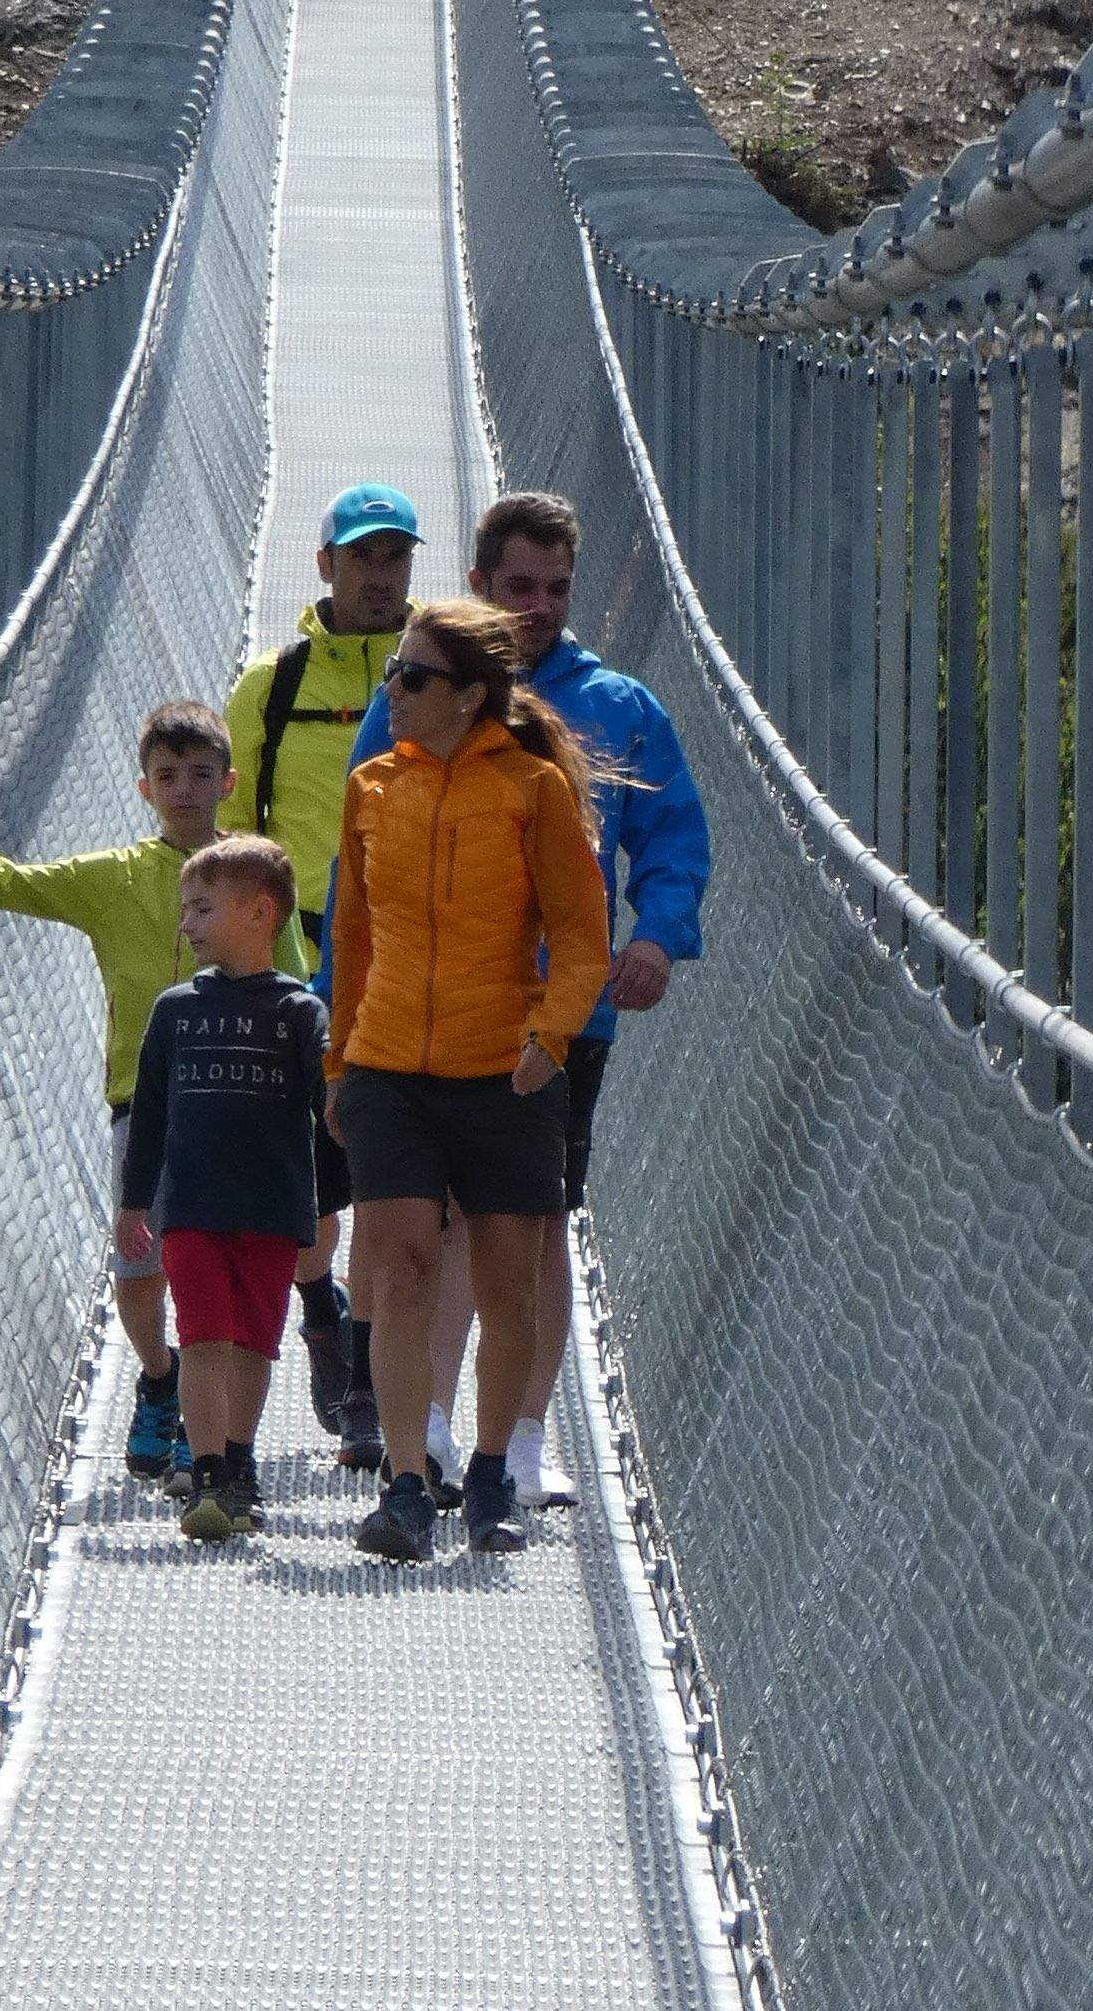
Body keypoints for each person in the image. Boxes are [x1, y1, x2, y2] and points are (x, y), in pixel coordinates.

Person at [345, 492, 706, 1510]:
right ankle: (429, 1427)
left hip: (561, 1016)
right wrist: (342, 1018)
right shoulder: (417, 688)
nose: (539, 607)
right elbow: (361, 860)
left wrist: (656, 932)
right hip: (418, 1024)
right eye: (518, 587)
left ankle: (524, 1441)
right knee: (435, 1227)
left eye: (557, 588)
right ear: (478, 584)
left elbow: (674, 834)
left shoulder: (620, 707)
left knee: (531, 1227)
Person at [0, 701, 304, 1493]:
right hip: (147, 1102)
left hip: (242, 1103)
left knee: (215, 1273)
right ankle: (160, 1378)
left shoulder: (255, 877)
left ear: (228, 782)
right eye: (167, 776)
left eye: (200, 774)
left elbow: (295, 979)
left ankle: (205, 1443)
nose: (184, 789)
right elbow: (12, 884)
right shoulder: (113, 878)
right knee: (140, 1269)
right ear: (144, 788)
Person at [327, 598, 614, 1564]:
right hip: (388, 1069)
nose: (394, 691)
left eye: (414, 677)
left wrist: (551, 1036)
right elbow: (351, 938)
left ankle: (490, 1473)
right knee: (400, 1271)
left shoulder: (534, 790)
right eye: (392, 673)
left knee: (507, 1289)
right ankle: (408, 1484)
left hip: (506, 1074)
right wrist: (338, 1061)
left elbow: (582, 935)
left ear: (470, 696)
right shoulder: (372, 788)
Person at [221, 482, 421, 1457]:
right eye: (362, 556)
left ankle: (371, 1391)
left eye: (395, 556)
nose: (380, 576)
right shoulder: (274, 684)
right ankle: (319, 1312)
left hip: (407, 949)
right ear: (326, 566)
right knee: (306, 1191)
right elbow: (229, 833)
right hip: (297, 951)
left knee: (382, 1174)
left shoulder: (444, 673)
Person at [116, 836, 329, 1542]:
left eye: (202, 909)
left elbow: (328, 1107)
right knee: (203, 1335)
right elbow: (148, 1114)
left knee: (255, 1345)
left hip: (272, 1211)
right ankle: (207, 1475)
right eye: (186, 909)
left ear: (260, 913)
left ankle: (239, 1462)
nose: (187, 924)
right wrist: (134, 1204)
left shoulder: (300, 1011)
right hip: (193, 1210)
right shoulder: (174, 1011)